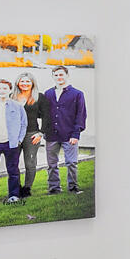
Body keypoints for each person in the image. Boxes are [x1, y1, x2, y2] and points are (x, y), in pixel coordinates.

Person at [41, 64, 88, 194]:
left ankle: (73, 188)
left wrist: (76, 134)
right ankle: (54, 189)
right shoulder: (48, 93)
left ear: (67, 76)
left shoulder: (77, 94)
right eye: (55, 75)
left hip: (69, 134)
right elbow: (45, 114)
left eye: (61, 74)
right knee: (51, 165)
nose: (58, 77)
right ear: (52, 77)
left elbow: (81, 115)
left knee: (71, 163)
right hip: (51, 135)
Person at [16, 73, 47, 198]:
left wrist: (41, 133)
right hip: (15, 135)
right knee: (13, 163)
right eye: (22, 81)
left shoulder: (39, 97)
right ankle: (16, 187)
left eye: (28, 82)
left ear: (32, 83)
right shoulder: (12, 97)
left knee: (30, 163)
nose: (25, 84)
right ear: (18, 83)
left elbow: (46, 116)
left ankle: (27, 188)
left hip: (32, 134)